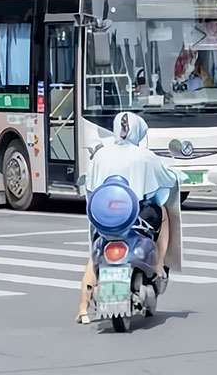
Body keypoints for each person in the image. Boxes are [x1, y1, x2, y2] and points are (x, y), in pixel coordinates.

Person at [75, 112, 176, 325]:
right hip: (137, 216)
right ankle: (158, 265)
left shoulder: (100, 155)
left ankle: (83, 309)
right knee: (165, 214)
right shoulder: (146, 156)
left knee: (94, 255)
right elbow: (167, 180)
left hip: (105, 218)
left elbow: (91, 187)